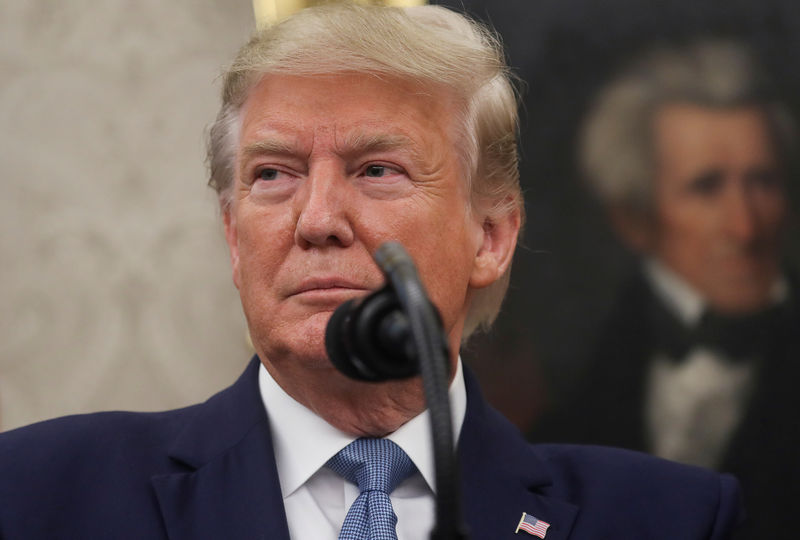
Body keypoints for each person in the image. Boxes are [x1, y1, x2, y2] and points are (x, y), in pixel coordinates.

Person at [0, 6, 740, 539]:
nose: (317, 218)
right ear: (232, 235)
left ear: (491, 235)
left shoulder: (667, 517)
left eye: (377, 169)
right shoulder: (38, 492)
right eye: (273, 174)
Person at [532, 39, 799, 538]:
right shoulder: (580, 392)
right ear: (634, 218)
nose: (745, 227)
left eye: (763, 181)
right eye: (707, 187)